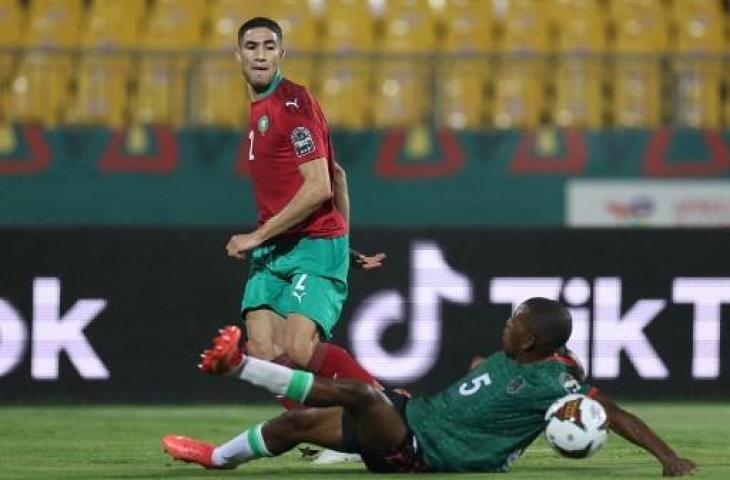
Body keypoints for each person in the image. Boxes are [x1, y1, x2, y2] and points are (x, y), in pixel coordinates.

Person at [163, 298, 697, 476]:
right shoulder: (512, 359)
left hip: (418, 453)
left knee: (357, 392)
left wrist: (667, 458)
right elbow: (484, 389)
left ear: (532, 339)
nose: (506, 323)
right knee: (294, 424)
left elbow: (617, 415)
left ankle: (237, 367)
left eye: (514, 321)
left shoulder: (554, 382)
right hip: (414, 417)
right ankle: (215, 459)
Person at [228, 16, 384, 390]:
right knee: (262, 349)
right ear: (238, 56)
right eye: (252, 47)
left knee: (298, 349)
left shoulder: (291, 106)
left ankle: (391, 411)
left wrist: (255, 236)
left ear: (282, 53)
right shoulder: (261, 108)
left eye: (269, 47)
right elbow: (338, 174)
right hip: (278, 248)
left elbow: (320, 186)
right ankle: (322, 430)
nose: (261, 56)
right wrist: (345, 244)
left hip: (310, 246)